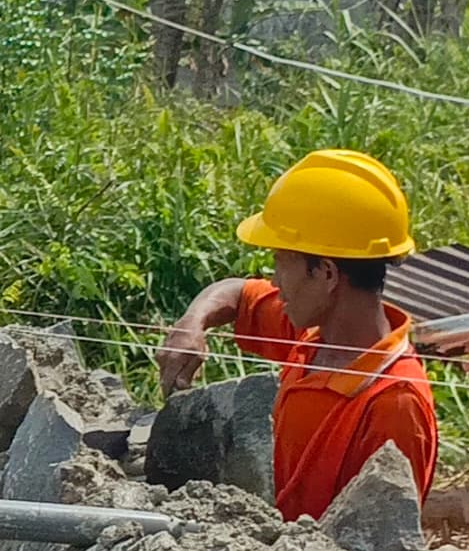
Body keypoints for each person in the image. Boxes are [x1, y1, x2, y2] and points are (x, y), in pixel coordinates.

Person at [153, 147, 441, 521]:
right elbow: (237, 293)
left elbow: (378, 546)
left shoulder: (392, 406)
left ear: (325, 274)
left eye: (280, 262)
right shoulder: (314, 333)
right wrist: (192, 324)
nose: (274, 281)